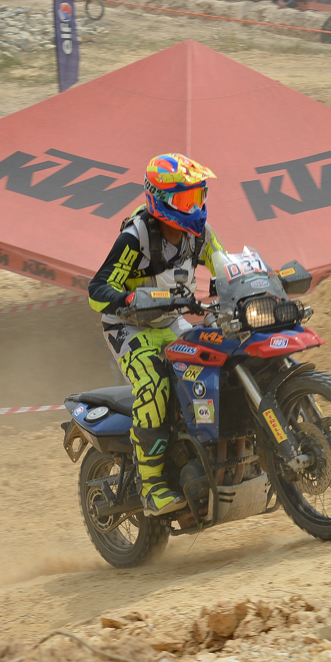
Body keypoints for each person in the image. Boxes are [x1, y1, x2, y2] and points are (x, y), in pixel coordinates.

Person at [88, 154, 225, 517]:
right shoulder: (136, 238)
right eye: (184, 199)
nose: (193, 207)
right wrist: (128, 299)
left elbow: (226, 267)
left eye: (197, 197)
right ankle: (151, 488)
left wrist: (246, 284)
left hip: (172, 321)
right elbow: (96, 290)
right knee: (154, 384)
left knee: (213, 364)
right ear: (160, 199)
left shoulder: (201, 235)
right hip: (129, 326)